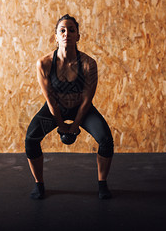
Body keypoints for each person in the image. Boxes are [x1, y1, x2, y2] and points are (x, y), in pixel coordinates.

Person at [25, 14, 114, 200]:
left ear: (78, 36)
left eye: (71, 30)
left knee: (106, 140)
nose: (67, 33)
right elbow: (50, 100)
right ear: (56, 36)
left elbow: (87, 100)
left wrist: (74, 126)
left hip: (81, 108)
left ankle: (102, 184)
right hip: (55, 108)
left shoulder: (89, 64)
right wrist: (61, 125)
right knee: (31, 139)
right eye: (62, 30)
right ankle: (39, 185)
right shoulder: (44, 63)